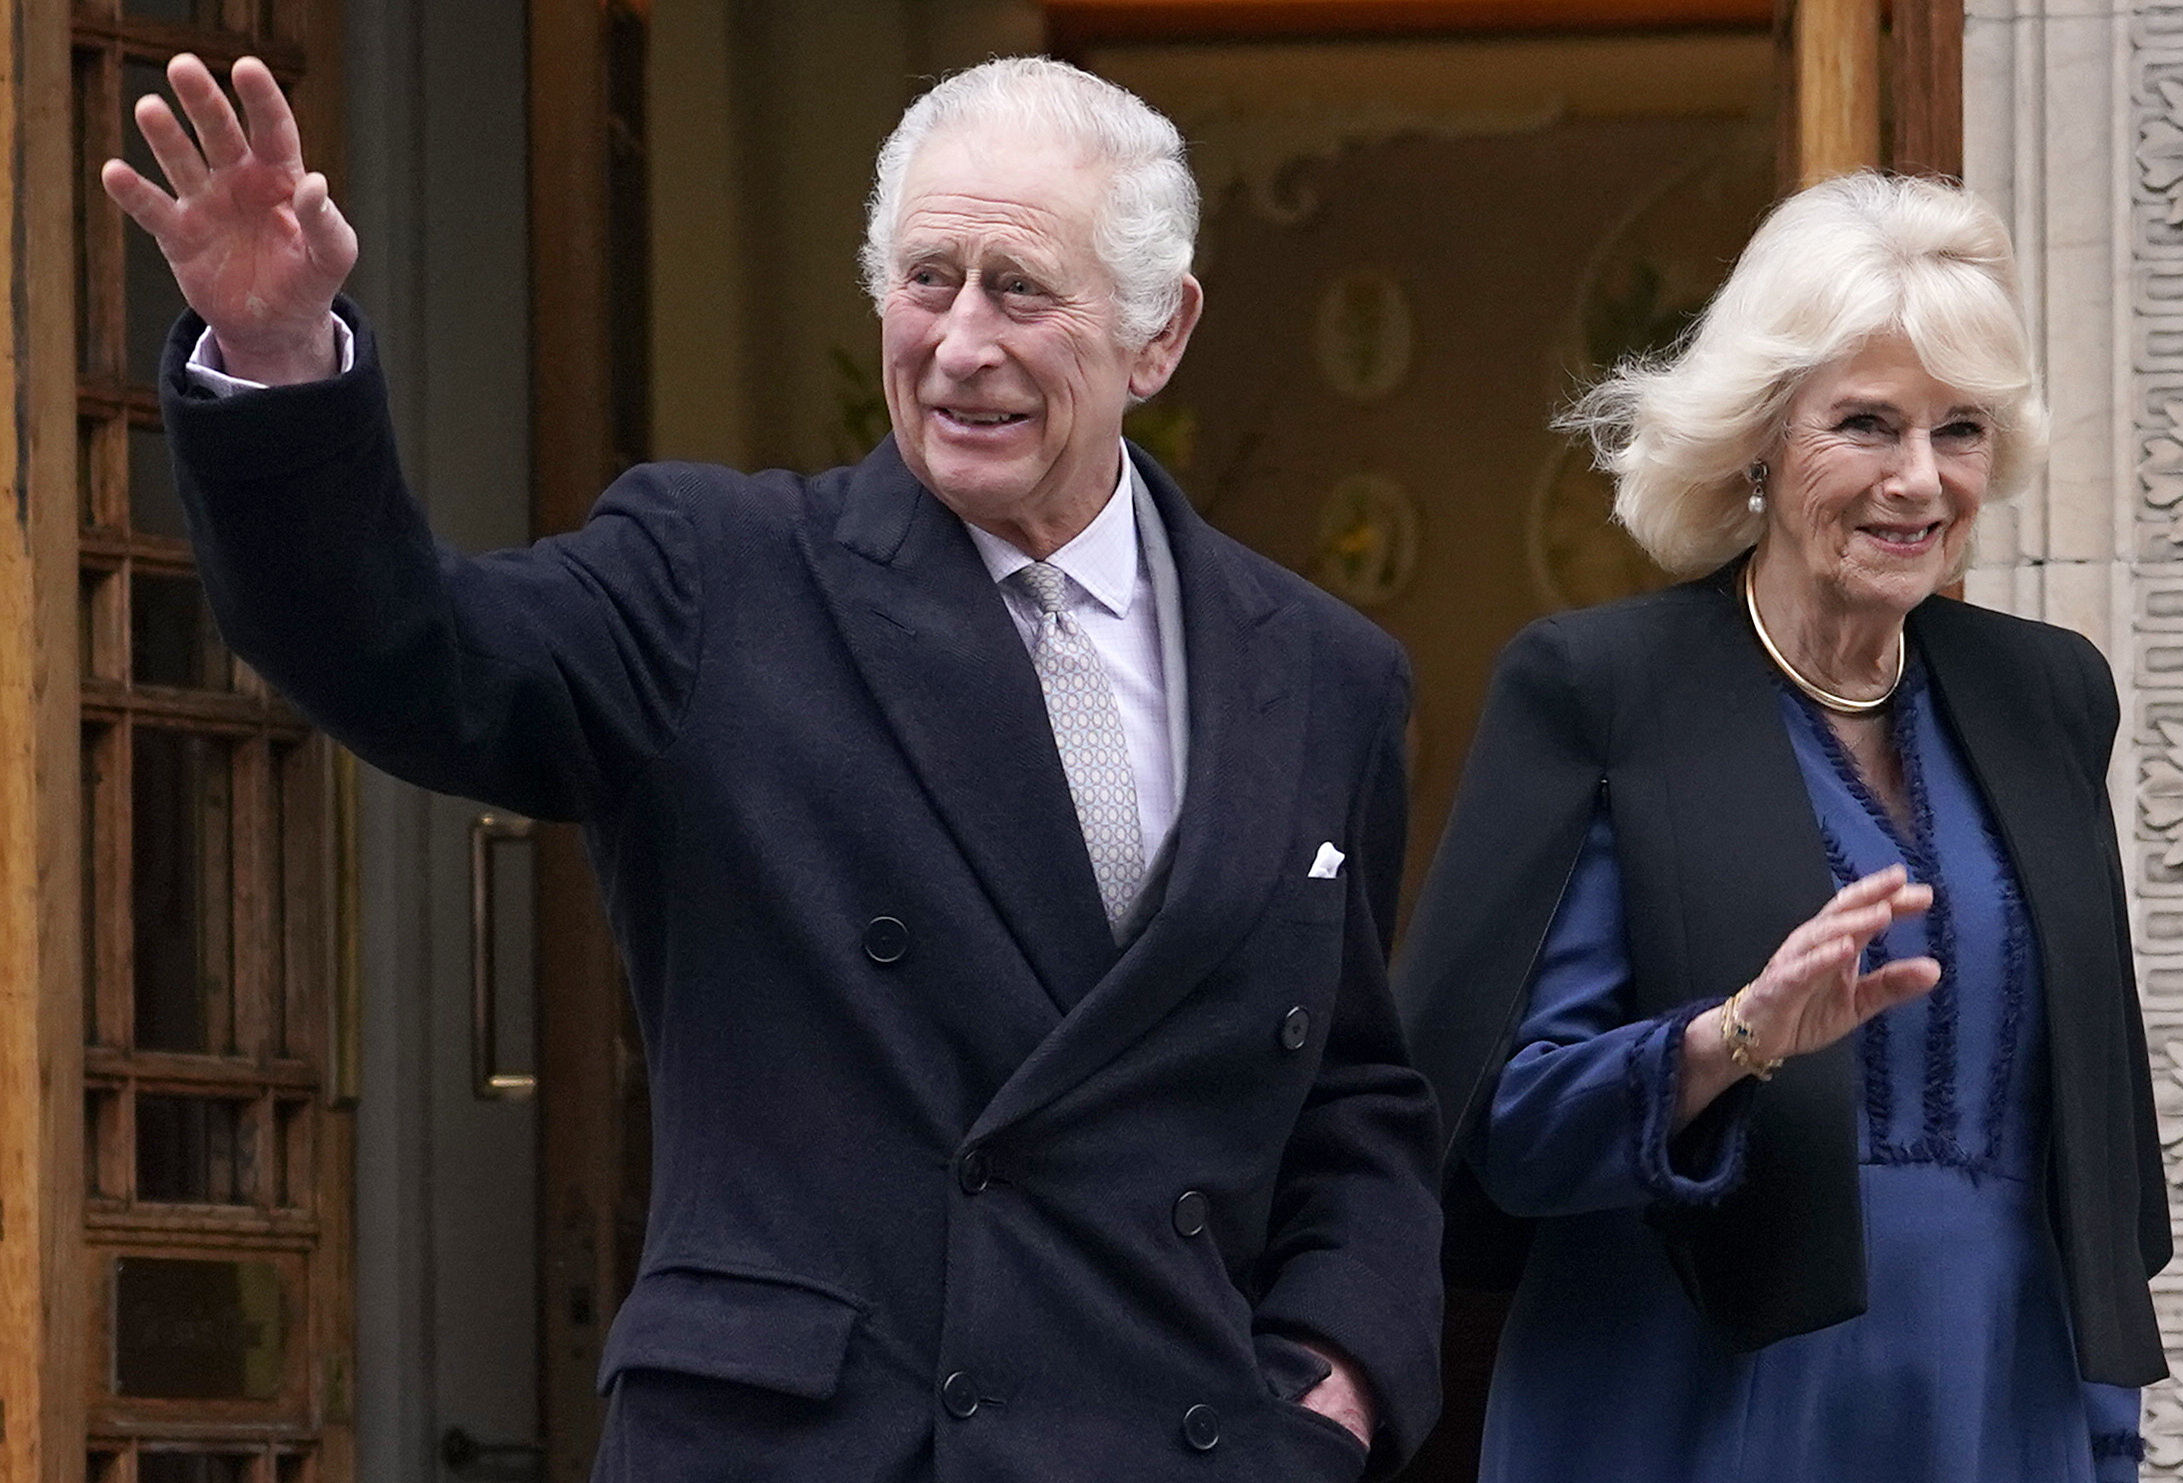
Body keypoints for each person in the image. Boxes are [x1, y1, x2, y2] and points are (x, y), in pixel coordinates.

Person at [105, 52, 1443, 1482]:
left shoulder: (1322, 675)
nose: (962, 344)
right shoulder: (714, 577)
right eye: (929, 279)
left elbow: (1351, 1096)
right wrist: (278, 363)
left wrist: (1336, 1383)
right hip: (811, 1444)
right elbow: (408, 652)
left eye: (1021, 290)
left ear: (1156, 334)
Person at [1395, 173, 2169, 1483]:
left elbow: (2079, 1138)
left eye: (1959, 429)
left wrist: (2103, 1438)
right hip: (1688, 1414)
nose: (1917, 482)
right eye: (1864, 424)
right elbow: (1501, 1130)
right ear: (1757, 438)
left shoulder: (2045, 697)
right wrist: (1730, 1040)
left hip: (1994, 1406)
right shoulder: (1602, 692)